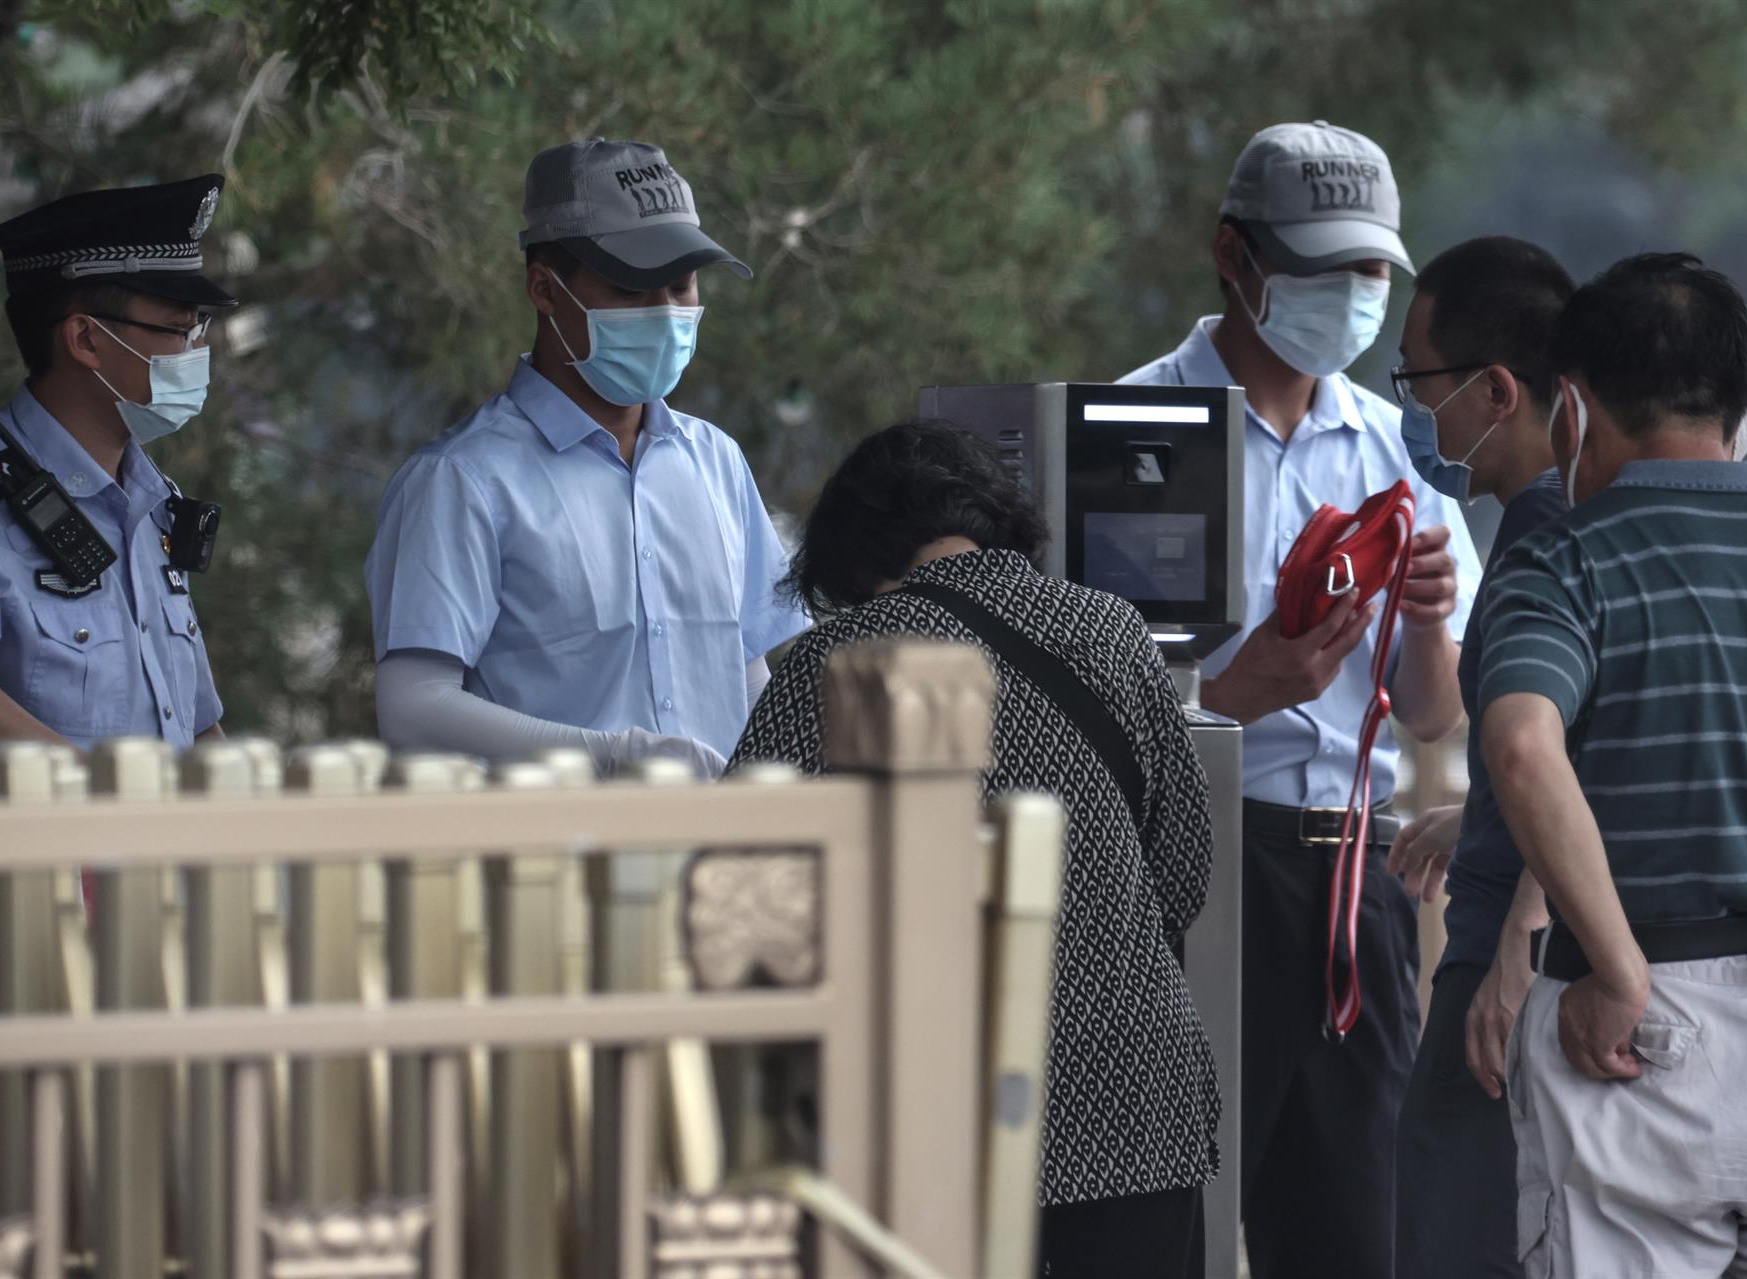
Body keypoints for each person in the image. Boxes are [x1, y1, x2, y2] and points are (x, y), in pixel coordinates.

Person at [1117, 120, 1482, 1276]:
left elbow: (1433, 716)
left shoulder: (1400, 453)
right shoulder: (1131, 435)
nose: (1352, 296)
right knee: (1163, 1219)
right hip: (1180, 877)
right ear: (1236, 257)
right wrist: (1233, 690)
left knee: (1354, 1227)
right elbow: (1086, 706)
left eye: (1372, 270)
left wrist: (1426, 616)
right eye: (1325, 267)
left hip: (1352, 888)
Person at [731, 422, 1219, 1278]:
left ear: (853, 557)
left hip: (939, 1117)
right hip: (1143, 1101)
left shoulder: (829, 669)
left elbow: (742, 917)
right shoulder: (1112, 629)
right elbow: (1180, 873)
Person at [1481, 253, 1747, 1275]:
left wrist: (1615, 966)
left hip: (1647, 1041)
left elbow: (1520, 741)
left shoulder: (1566, 560)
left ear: (1574, 411)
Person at [364, 139, 807, 778]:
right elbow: (413, 710)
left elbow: (744, 675)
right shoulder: (462, 481)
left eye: (681, 286)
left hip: (723, 863)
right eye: (632, 288)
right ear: (544, 289)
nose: (665, 313)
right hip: (557, 865)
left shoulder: (716, 461)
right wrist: (610, 757)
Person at [0, 175, 235, 754]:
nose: (195, 354)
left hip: (165, 843)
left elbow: (194, 724)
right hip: (48, 844)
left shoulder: (154, 497)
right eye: (178, 331)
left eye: (198, 331)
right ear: (86, 339)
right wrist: (85, 796)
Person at [1376, 236, 1573, 1278]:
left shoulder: (1547, 542)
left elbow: (1571, 754)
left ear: (1497, 390)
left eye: (1417, 377)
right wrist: (1484, 810)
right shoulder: (1559, 528)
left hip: (1508, 972)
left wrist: (1523, 941)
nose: (1409, 405)